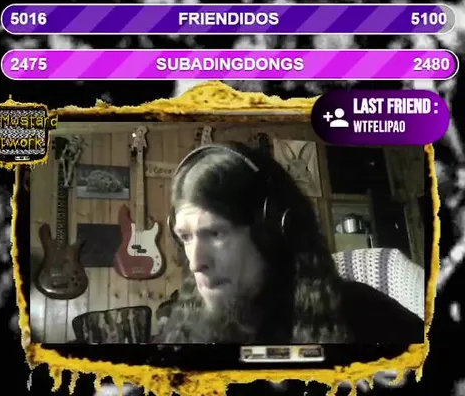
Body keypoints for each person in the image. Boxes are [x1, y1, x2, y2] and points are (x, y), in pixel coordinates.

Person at [157, 142, 424, 345]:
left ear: (272, 231)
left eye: (216, 233)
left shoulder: (365, 316)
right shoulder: (182, 328)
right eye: (186, 237)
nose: (195, 263)